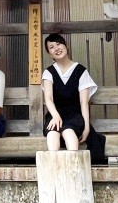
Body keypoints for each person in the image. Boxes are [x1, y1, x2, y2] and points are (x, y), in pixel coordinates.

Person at [42, 33, 106, 163]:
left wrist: (87, 128)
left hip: (74, 116)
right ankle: (54, 170)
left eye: (59, 44)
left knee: (69, 133)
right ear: (49, 54)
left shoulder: (80, 71)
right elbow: (48, 98)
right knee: (52, 134)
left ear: (66, 46)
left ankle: (73, 168)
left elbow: (83, 103)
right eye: (51, 47)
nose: (56, 48)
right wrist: (55, 116)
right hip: (55, 115)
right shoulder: (49, 72)